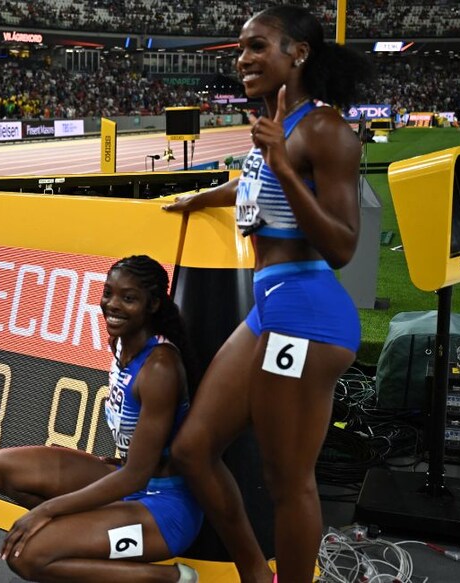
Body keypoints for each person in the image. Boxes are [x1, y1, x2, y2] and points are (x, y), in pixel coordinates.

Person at [161, 6, 372, 583]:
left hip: (308, 317)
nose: (242, 59)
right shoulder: (279, 123)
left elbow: (343, 246)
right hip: (271, 309)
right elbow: (251, 185)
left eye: (257, 47)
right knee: (193, 449)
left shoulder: (325, 129)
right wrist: (199, 199)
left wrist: (280, 161)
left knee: (287, 479)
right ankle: (257, 572)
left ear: (297, 52)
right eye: (239, 48)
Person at [0, 255, 201, 583]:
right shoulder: (120, 343)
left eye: (128, 298)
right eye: (108, 293)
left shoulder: (160, 368)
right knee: (2, 466)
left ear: (153, 304)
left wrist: (47, 510)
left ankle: (172, 578)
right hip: (126, 475)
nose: (112, 305)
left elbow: (136, 478)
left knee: (26, 557)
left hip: (164, 507)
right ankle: (84, 543)